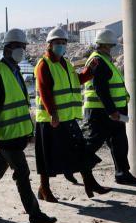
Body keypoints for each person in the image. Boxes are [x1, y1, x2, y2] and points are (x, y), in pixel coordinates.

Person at [0, 28, 56, 223]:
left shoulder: (15, 71)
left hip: (15, 135)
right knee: (22, 174)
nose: (22, 51)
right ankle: (35, 214)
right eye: (19, 47)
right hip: (5, 136)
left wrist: (27, 132)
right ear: (8, 49)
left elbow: (20, 105)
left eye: (23, 47)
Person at [33, 27, 111, 203]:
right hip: (50, 120)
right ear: (49, 44)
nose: (61, 46)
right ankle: (44, 188)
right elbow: (44, 90)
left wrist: (89, 72)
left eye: (63, 43)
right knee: (47, 157)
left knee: (81, 151)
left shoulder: (65, 63)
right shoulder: (44, 64)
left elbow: (76, 81)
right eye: (57, 43)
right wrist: (52, 113)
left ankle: (90, 182)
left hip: (67, 118)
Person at [81, 29, 136, 186]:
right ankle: (73, 165)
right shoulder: (98, 61)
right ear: (105, 45)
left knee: (120, 144)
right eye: (112, 45)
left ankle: (123, 173)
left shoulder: (105, 59)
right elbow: (100, 89)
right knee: (92, 144)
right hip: (102, 113)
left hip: (112, 112)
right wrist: (112, 111)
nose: (114, 48)